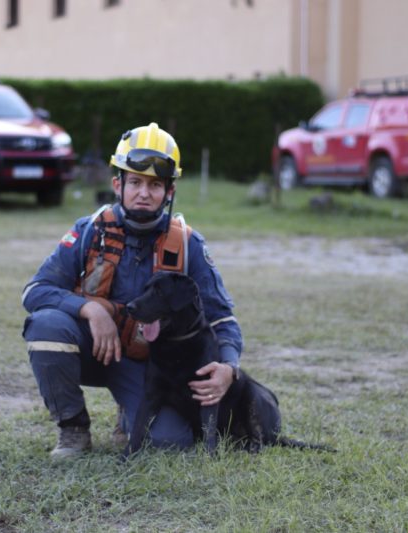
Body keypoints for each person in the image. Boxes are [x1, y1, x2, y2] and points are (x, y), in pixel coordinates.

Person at [21, 122, 243, 458]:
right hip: (91, 349)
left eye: (155, 185)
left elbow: (222, 318)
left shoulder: (188, 245)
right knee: (46, 326)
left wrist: (229, 366)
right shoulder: (88, 231)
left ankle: (127, 415)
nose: (144, 193)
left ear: (169, 192)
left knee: (168, 442)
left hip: (148, 366)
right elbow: (35, 291)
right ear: (118, 184)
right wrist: (90, 310)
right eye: (135, 182)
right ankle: (73, 428)